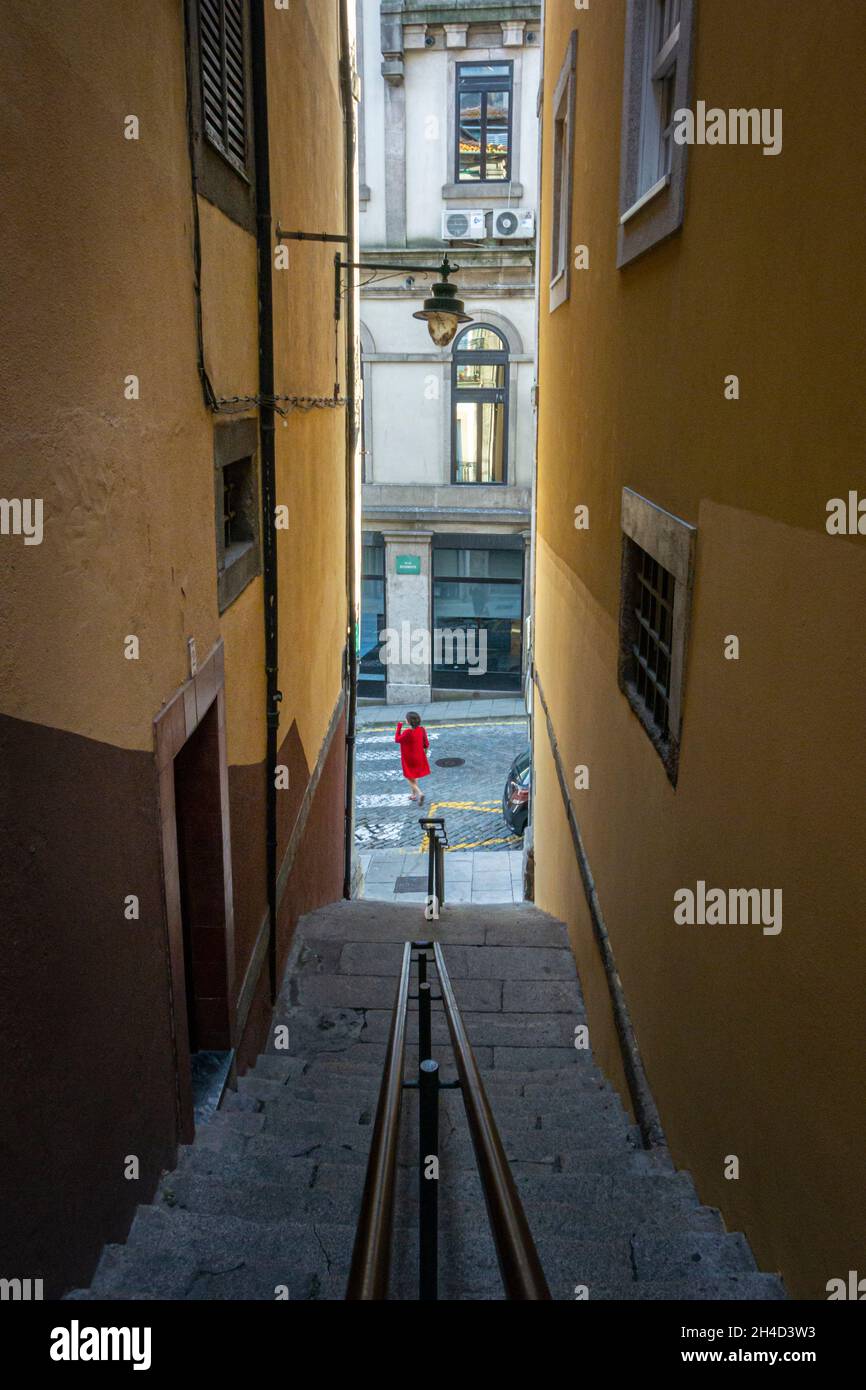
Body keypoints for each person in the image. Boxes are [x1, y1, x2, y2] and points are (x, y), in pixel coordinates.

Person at [395, 711, 430, 807]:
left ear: (409, 721)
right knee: (414, 776)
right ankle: (413, 795)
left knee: (409, 777)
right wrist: (425, 755)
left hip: (409, 758)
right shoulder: (422, 729)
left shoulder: (407, 732)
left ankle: (419, 793)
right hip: (419, 756)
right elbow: (426, 744)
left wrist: (399, 727)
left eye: (406, 718)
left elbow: (397, 739)